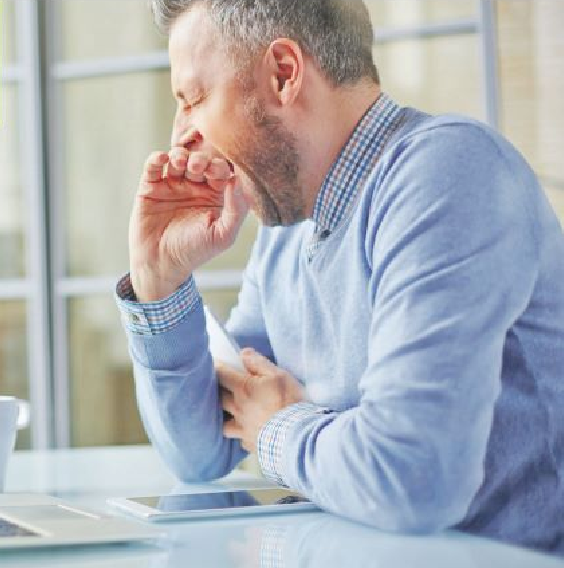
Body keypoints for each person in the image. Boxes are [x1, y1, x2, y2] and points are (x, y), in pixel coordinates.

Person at [115, 0, 564, 551]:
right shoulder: (287, 232)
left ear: (283, 74)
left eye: (194, 99)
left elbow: (413, 478)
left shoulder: (446, 173)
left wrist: (277, 428)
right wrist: (160, 280)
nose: (180, 135)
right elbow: (203, 449)